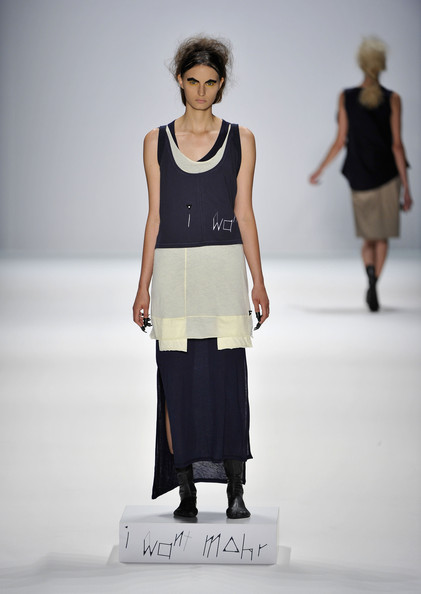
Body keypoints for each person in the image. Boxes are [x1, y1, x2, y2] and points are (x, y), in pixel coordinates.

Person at [132, 36, 269, 519]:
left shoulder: (241, 139)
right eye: (193, 81)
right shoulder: (155, 141)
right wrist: (142, 286)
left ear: (221, 84)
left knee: (229, 378)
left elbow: (244, 213)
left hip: (224, 272)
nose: (201, 91)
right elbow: (154, 216)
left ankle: (235, 488)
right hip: (174, 274)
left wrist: (258, 281)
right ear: (180, 80)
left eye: (210, 82)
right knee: (178, 380)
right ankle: (186, 489)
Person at [309, 37, 413, 311]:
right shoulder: (393, 99)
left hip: (360, 176)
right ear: (382, 65)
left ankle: (369, 277)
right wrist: (407, 187)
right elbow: (397, 145)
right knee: (382, 237)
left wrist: (319, 169)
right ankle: (374, 283)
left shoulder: (347, 97)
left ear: (362, 64)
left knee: (368, 237)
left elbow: (340, 140)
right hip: (388, 176)